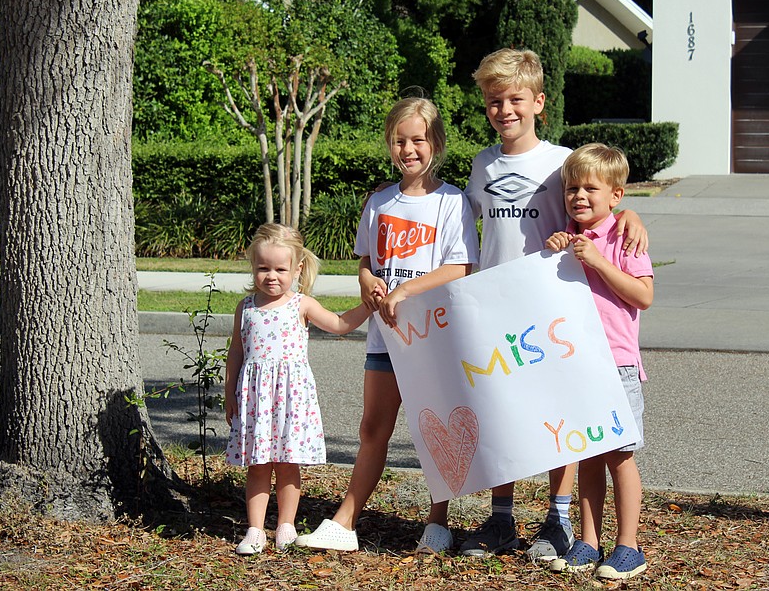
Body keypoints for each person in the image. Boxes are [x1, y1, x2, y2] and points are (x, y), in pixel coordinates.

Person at [460, 48, 649, 562]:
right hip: (496, 303)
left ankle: (559, 519)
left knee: (556, 417)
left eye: (515, 99)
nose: (505, 110)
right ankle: (501, 520)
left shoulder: (560, 162)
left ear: (538, 102)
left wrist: (631, 213)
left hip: (553, 304)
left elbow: (599, 197)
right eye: (495, 101)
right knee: (504, 414)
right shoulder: (482, 163)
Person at [294, 97, 480, 553]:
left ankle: (438, 523)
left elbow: (460, 267)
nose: (409, 149)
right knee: (373, 428)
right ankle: (345, 522)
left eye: (419, 139)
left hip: (433, 338)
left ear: (436, 143)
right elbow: (366, 260)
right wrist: (368, 282)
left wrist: (403, 291)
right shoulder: (379, 201)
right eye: (400, 140)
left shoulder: (452, 202)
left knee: (435, 428)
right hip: (384, 338)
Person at [224, 223, 372, 555]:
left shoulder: (301, 305)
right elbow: (237, 350)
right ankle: (255, 529)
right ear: (253, 267)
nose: (271, 276)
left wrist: (368, 307)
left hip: (290, 399)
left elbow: (338, 324)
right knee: (258, 464)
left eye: (280, 268)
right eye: (263, 268)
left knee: (288, 463)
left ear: (297, 268)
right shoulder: (246, 308)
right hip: (256, 401)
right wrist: (229, 390)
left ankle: (286, 525)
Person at [546, 143, 653, 579]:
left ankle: (628, 547)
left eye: (591, 187)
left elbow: (643, 295)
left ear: (616, 196)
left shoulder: (625, 238)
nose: (579, 196)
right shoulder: (565, 239)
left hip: (618, 364)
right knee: (587, 455)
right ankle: (588, 541)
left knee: (619, 456)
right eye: (572, 188)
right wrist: (555, 252)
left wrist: (599, 262)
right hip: (577, 365)